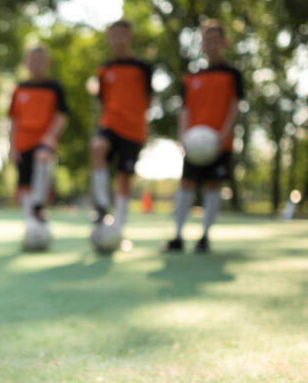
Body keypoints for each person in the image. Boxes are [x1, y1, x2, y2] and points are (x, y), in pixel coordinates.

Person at [164, 20, 243, 253]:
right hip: (194, 143)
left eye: (215, 40)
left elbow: (234, 106)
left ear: (224, 43)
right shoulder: (191, 77)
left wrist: (223, 136)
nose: (211, 45)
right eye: (207, 41)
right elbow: (185, 109)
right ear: (202, 46)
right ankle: (177, 236)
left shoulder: (233, 74)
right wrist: (183, 137)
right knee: (186, 184)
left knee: (212, 184)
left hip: (218, 143)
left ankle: (205, 236)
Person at [90, 19, 153, 237]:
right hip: (109, 124)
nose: (117, 40)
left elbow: (149, 99)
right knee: (97, 148)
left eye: (121, 35)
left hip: (133, 129)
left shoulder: (142, 68)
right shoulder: (104, 69)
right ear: (108, 39)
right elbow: (102, 101)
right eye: (113, 35)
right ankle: (101, 206)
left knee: (124, 177)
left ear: (130, 37)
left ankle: (119, 227)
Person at [9, 45, 67, 233]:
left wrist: (50, 137)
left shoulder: (54, 87)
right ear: (26, 63)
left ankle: (38, 208)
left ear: (47, 62)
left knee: (42, 158)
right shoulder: (19, 89)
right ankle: (31, 225)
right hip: (22, 142)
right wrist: (12, 147)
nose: (36, 64)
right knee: (24, 184)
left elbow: (61, 116)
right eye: (32, 60)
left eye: (40, 60)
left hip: (43, 141)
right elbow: (14, 120)